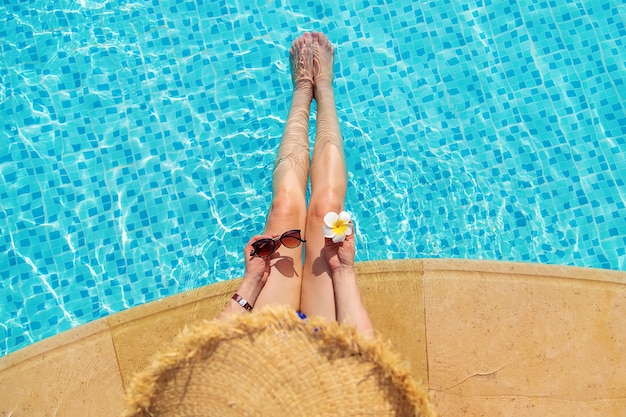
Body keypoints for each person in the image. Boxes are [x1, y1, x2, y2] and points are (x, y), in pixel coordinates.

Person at [218, 32, 374, 339]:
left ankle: (304, 89)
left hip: (267, 346)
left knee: (285, 205)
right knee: (326, 207)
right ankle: (323, 88)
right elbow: (364, 351)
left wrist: (252, 281)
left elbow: (209, 349)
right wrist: (342, 271)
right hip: (323, 347)